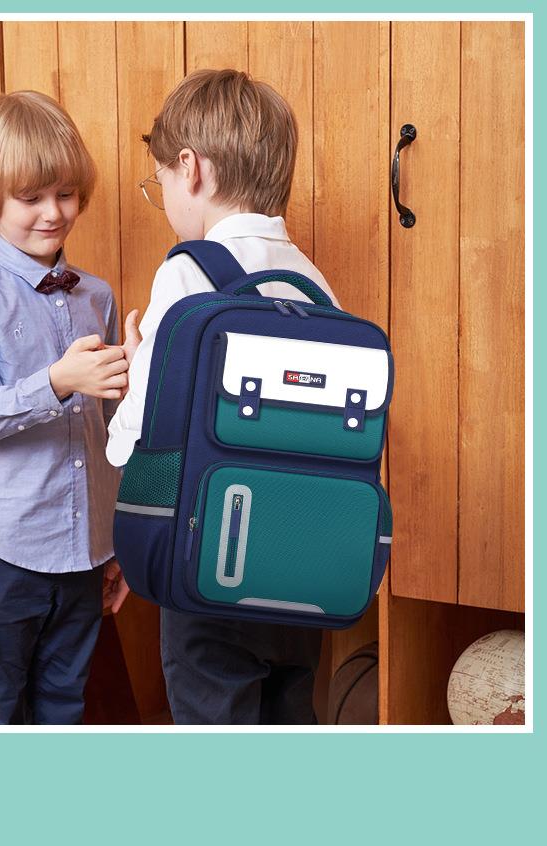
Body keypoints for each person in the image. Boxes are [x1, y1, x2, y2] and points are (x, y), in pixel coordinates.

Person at [107, 69, 342, 725]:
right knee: (288, 719)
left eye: (159, 183)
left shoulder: (191, 270)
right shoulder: (311, 280)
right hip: (301, 566)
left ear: (191, 169)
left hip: (214, 560)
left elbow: (141, 428)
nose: (163, 197)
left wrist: (136, 367)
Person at [0, 90, 136, 725]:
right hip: (1, 551)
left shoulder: (97, 297)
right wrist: (57, 381)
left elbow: (108, 434)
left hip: (82, 554)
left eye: (66, 194)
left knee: (64, 712)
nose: (54, 213)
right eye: (31, 197)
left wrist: (115, 542)